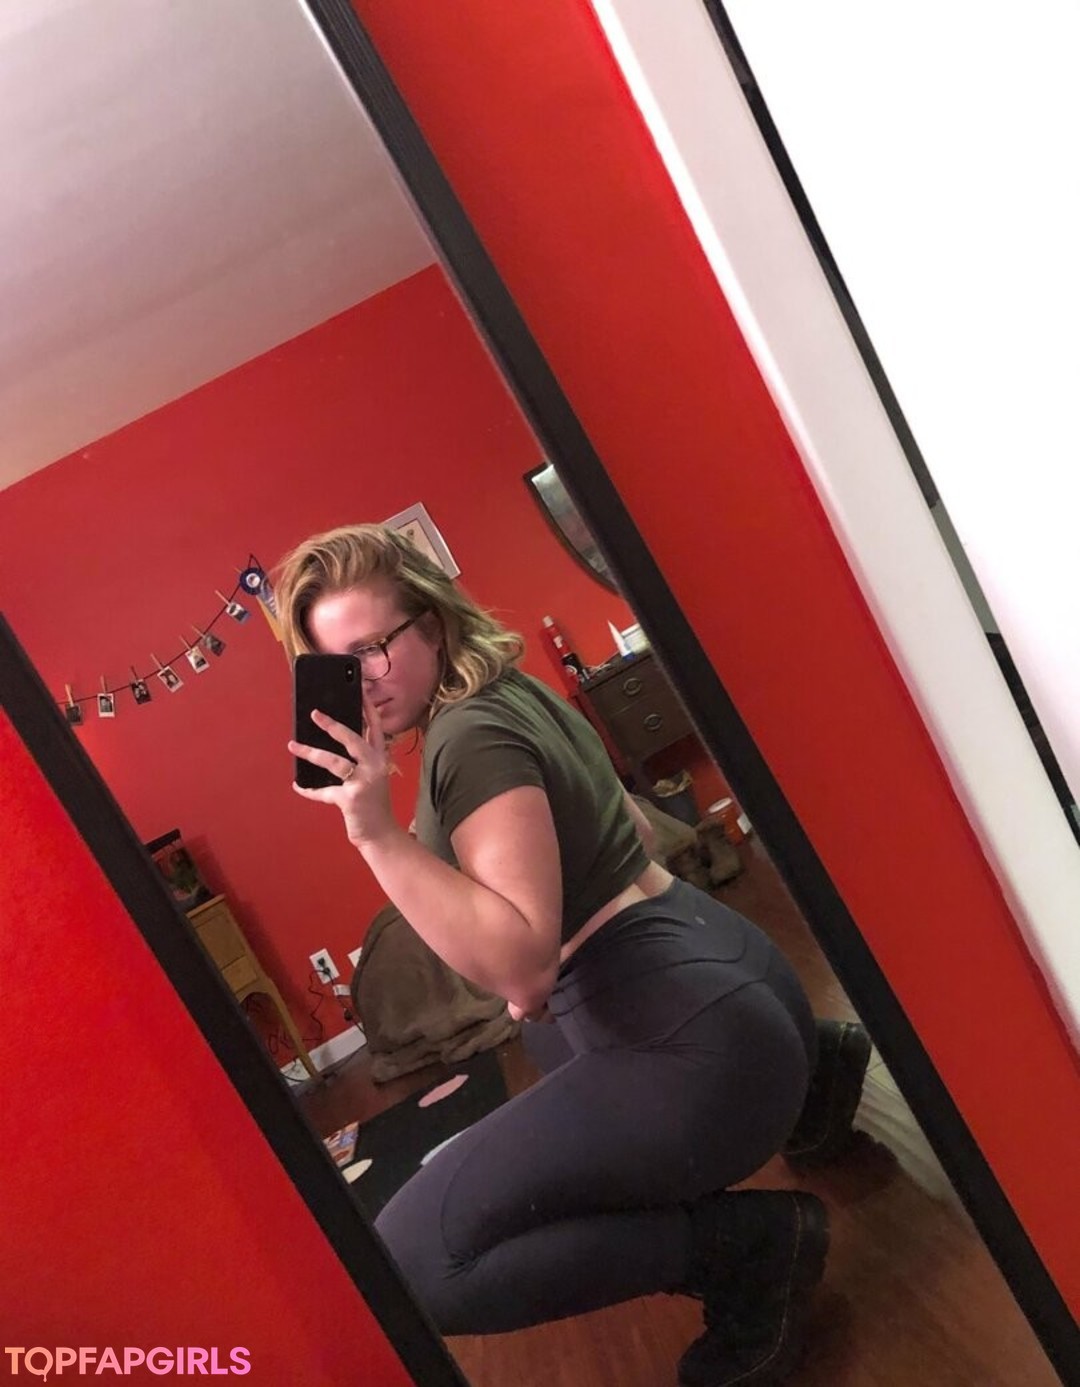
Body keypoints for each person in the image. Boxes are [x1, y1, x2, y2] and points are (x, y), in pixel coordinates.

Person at [277, 523, 869, 1387]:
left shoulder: (466, 738)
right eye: (337, 662)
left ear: (431, 625)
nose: (362, 680)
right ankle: (819, 1072)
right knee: (549, 1031)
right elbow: (633, 834)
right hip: (734, 973)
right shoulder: (509, 690)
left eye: (374, 648)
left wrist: (372, 831)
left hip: (705, 1047)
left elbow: (522, 967)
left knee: (409, 1263)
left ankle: (752, 1251)